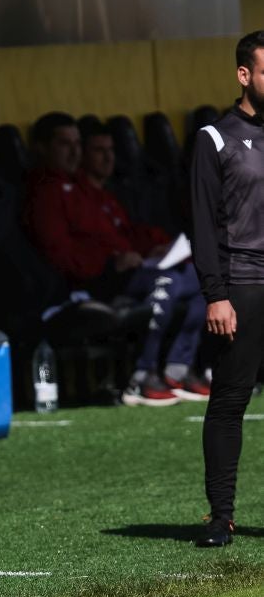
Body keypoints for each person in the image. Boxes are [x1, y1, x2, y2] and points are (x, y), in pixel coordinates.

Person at [24, 113, 207, 406]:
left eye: (77, 144)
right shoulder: (45, 193)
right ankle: (141, 375)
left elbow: (125, 233)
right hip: (89, 283)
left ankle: (178, 368)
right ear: (42, 148)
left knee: (202, 278)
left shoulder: (89, 190)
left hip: (125, 272)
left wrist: (157, 248)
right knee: (168, 281)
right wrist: (111, 261)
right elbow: (58, 252)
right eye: (64, 144)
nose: (74, 152)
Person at [191, 30, 264, 547]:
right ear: (244, 75)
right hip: (242, 286)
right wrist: (216, 294)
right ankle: (221, 517)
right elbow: (202, 224)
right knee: (229, 401)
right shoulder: (214, 138)